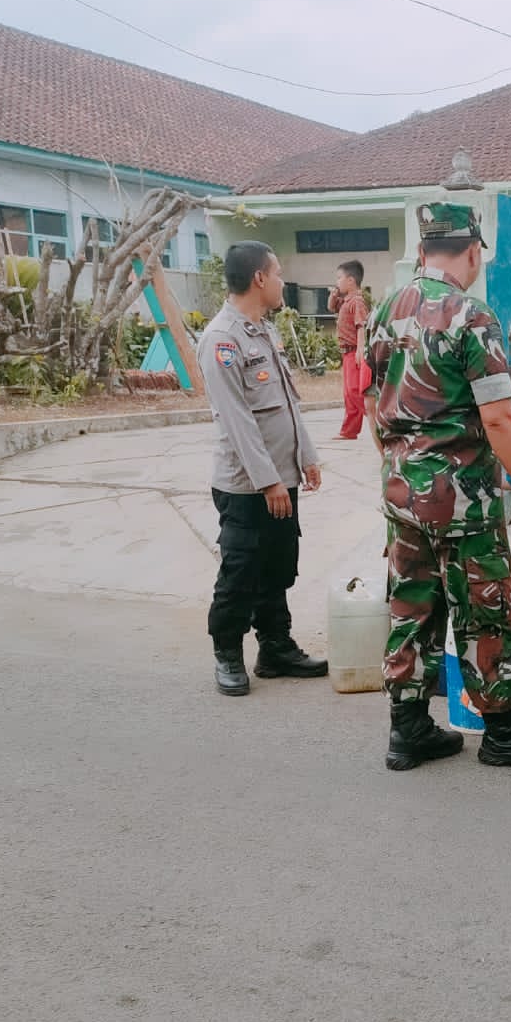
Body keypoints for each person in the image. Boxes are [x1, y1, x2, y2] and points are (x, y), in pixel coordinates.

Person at [366, 201, 511, 773]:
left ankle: (408, 729)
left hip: (402, 492)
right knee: (486, 608)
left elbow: (370, 403)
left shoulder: (383, 310)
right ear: (474, 251)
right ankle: (503, 731)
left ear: (423, 249)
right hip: (461, 499)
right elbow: (502, 418)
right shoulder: (471, 315)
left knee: (412, 605)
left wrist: (400, 469)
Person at [199, 240, 326, 696]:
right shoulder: (222, 340)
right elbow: (237, 421)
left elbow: (287, 404)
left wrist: (306, 457)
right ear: (259, 278)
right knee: (241, 571)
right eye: (277, 273)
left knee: (278, 566)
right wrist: (269, 481)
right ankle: (228, 653)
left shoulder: (264, 332)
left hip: (281, 478)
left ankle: (275, 648)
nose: (281, 282)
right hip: (246, 486)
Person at [330, 260, 371, 440]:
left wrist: (361, 349)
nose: (337, 282)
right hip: (346, 352)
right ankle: (349, 430)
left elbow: (361, 326)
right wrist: (333, 296)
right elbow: (331, 307)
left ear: (351, 281)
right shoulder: (345, 300)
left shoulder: (357, 301)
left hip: (354, 351)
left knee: (355, 390)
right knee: (348, 394)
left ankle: (379, 419)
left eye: (339, 278)